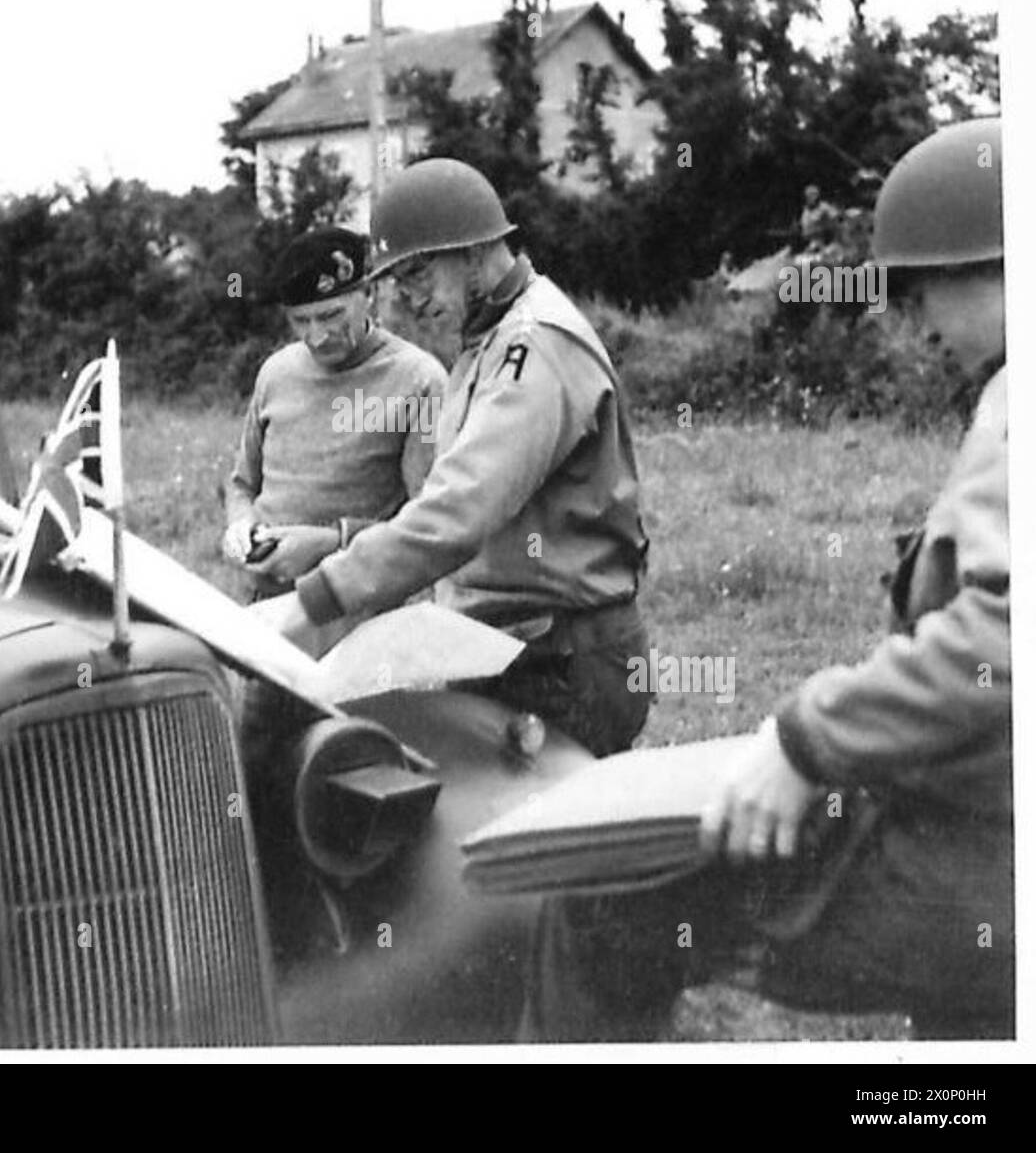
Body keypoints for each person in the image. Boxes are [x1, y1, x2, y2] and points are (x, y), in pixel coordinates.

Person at [525, 117, 1011, 1041]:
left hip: (984, 861)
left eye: (922, 292)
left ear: (996, 266)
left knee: (606, 902)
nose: (914, 325)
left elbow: (1007, 636)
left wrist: (806, 740)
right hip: (981, 829)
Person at [253, 158, 652, 758]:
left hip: (565, 661)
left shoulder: (534, 345)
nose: (410, 300)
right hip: (511, 647)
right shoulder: (484, 342)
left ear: (473, 250)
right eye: (397, 282)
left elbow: (458, 509)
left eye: (417, 273)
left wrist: (318, 599)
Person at [223, 225, 445, 600]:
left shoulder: (419, 380)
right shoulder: (275, 373)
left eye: (331, 316)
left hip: (357, 608)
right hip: (266, 607)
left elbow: (426, 524)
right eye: (300, 321)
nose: (316, 337)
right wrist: (240, 525)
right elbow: (241, 483)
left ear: (369, 294)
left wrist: (333, 542)